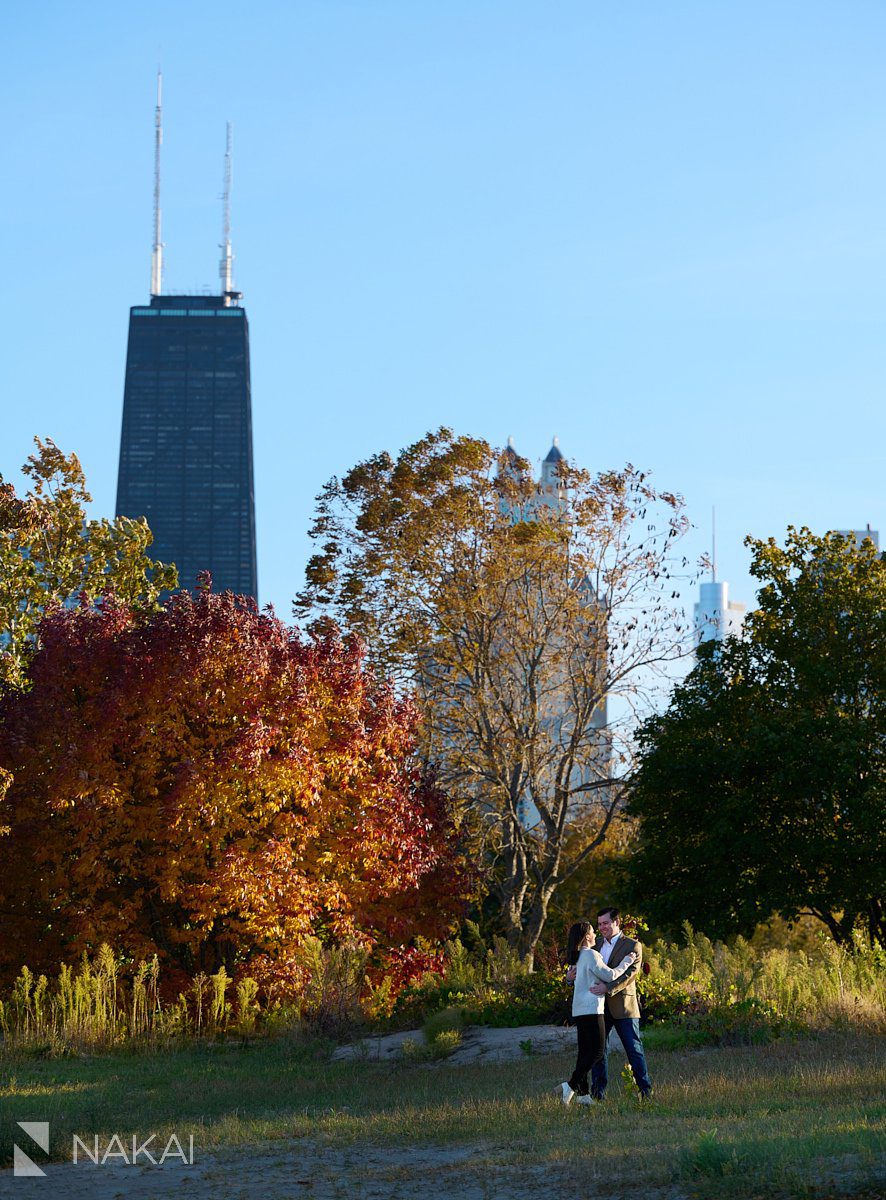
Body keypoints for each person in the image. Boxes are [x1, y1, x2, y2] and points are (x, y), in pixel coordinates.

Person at [557, 920, 637, 1106]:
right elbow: (610, 976)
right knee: (598, 1051)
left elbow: (575, 980)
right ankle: (570, 1085)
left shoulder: (575, 958)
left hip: (579, 1010)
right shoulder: (592, 955)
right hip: (592, 1010)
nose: (596, 934)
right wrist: (627, 961)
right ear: (587, 936)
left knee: (584, 1052)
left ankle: (583, 1096)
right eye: (593, 931)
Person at [587, 906, 653, 1102]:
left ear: (617, 922)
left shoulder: (632, 945)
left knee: (634, 1049)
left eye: (605, 923)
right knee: (599, 1051)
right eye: (599, 924)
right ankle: (598, 1094)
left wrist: (608, 987)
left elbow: (630, 974)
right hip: (599, 1006)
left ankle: (645, 1092)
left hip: (624, 1006)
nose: (602, 927)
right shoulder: (596, 945)